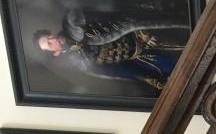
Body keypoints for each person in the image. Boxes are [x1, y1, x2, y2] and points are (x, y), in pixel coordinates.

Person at [33, 8, 190, 92]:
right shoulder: (80, 62)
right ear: (55, 53)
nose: (53, 40)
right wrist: (148, 78)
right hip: (141, 58)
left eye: (49, 37)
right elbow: (119, 70)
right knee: (177, 68)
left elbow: (114, 15)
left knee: (184, 38)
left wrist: (141, 31)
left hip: (143, 33)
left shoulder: (72, 22)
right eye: (50, 45)